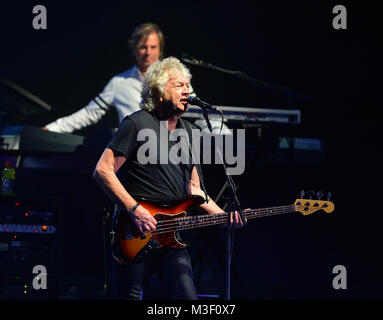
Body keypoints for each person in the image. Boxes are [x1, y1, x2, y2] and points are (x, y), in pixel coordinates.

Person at [92, 57, 243, 300]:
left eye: (188, 86)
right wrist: (134, 210)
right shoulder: (137, 123)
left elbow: (194, 189)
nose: (187, 91)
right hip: (135, 231)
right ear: (159, 91)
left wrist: (223, 218)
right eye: (179, 85)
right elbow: (103, 170)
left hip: (171, 235)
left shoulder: (190, 132)